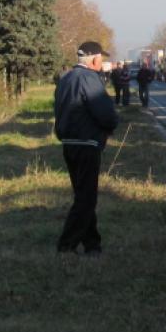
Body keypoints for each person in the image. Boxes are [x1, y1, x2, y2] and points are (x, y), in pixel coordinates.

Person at [53, 41, 119, 256]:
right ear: (93, 59)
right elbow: (103, 110)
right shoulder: (89, 79)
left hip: (69, 142)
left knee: (83, 194)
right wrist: (110, 125)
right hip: (86, 142)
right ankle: (66, 245)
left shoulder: (66, 78)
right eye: (101, 58)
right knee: (86, 198)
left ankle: (92, 244)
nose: (102, 62)